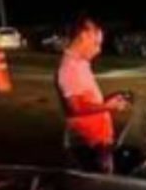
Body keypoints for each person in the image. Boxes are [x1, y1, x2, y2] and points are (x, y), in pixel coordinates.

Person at [56, 16, 131, 173]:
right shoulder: (70, 68)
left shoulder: (81, 64)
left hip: (97, 143)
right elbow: (75, 108)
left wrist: (109, 100)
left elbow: (87, 100)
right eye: (96, 43)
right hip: (87, 145)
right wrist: (108, 106)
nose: (99, 49)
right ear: (83, 36)